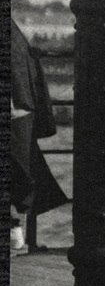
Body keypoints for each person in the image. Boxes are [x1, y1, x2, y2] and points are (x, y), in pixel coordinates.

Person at [10, 18, 69, 254]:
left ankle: (16, 234)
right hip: (21, 110)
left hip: (16, 111)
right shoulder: (15, 33)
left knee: (20, 175)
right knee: (22, 173)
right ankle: (17, 235)